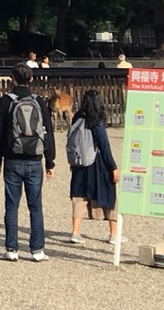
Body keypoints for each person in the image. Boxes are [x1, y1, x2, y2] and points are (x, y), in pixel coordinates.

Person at [0, 63, 55, 261]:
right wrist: (50, 161)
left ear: (12, 78)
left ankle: (12, 249)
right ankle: (37, 250)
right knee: (35, 206)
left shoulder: (6, 101)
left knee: (11, 205)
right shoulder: (38, 101)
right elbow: (47, 132)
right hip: (35, 159)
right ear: (31, 79)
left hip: (12, 159)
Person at [65, 88, 119, 246]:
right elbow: (104, 146)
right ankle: (113, 234)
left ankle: (75, 232)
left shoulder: (77, 118)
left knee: (79, 196)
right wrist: (113, 167)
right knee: (110, 194)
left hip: (79, 164)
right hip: (96, 163)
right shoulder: (97, 121)